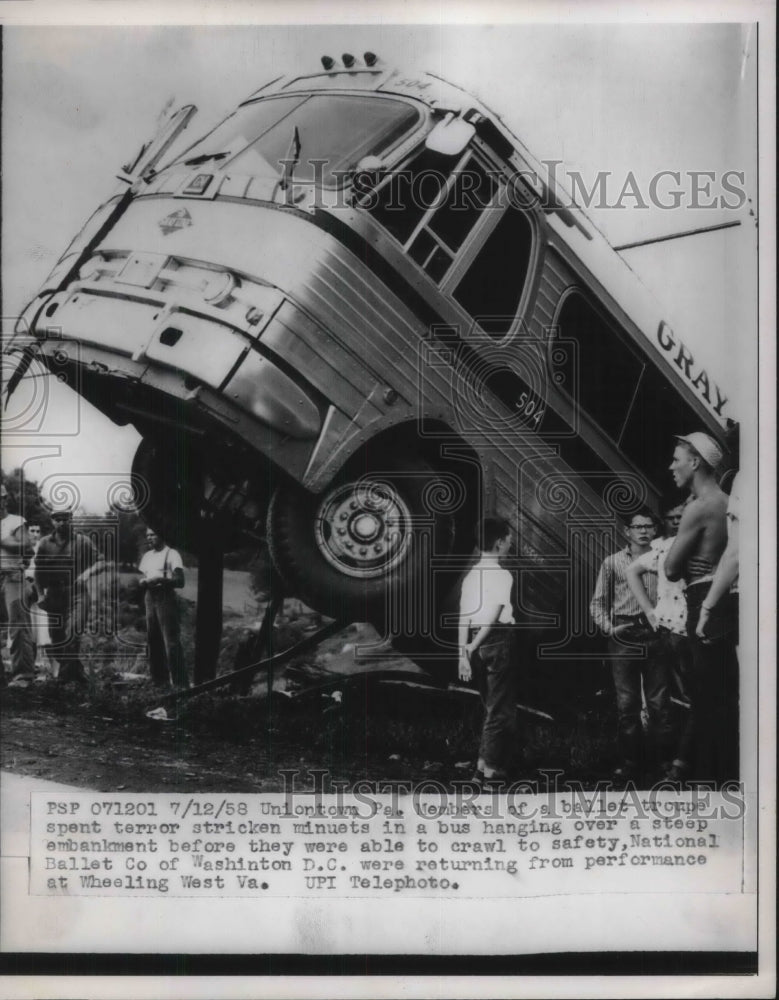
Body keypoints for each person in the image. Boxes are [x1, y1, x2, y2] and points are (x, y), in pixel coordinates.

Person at [665, 432, 738, 785]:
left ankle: (707, 777)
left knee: (705, 695)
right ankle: (711, 771)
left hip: (701, 598)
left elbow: (670, 569)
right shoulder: (728, 501)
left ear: (695, 463)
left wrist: (685, 556)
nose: (671, 466)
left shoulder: (698, 507)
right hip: (727, 596)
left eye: (676, 459)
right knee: (721, 692)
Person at [590, 509, 672, 781]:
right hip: (624, 634)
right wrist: (610, 628)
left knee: (659, 703)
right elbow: (598, 602)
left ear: (656, 530)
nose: (644, 531)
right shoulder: (613, 563)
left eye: (649, 526)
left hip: (655, 632)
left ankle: (662, 764)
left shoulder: (664, 560)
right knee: (627, 705)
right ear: (627, 531)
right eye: (638, 527)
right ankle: (630, 764)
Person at [625, 499, 689, 776]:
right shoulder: (662, 548)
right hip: (667, 629)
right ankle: (668, 760)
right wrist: (650, 612)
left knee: (691, 695)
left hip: (694, 627)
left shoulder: (698, 540)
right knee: (664, 697)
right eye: (671, 517)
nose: (676, 521)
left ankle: (687, 757)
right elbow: (632, 571)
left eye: (681, 516)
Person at [457, 516, 517, 783]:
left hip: (474, 641)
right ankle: (492, 770)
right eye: (508, 538)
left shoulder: (471, 575)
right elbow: (493, 617)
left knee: (490, 705)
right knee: (499, 710)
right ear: (499, 542)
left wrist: (464, 653)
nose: (511, 542)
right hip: (496, 639)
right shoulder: (502, 575)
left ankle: (481, 766)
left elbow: (463, 617)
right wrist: (474, 645)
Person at [34, 508, 105, 685]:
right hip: (53, 595)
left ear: (71, 520)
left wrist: (88, 573)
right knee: (56, 639)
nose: (62, 523)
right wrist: (40, 595)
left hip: (77, 593)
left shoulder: (83, 541)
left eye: (65, 519)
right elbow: (38, 572)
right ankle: (77, 674)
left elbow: (102, 561)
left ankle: (63, 680)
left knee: (72, 632)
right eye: (58, 519)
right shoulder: (44, 544)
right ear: (52, 522)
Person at [138, 527, 189, 690]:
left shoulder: (172, 554)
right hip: (149, 597)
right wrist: (144, 581)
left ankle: (181, 685)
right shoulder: (147, 556)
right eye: (147, 535)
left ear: (162, 535)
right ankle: (159, 682)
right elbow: (145, 576)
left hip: (165, 597)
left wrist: (161, 578)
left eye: (153, 534)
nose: (149, 538)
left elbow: (180, 581)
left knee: (171, 641)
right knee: (153, 640)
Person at [0, 484, 35, 684]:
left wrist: (3, 541)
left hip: (13, 576)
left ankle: (23, 674)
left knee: (19, 625)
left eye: (0, 498)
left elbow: (27, 546)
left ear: (5, 499)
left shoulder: (16, 521)